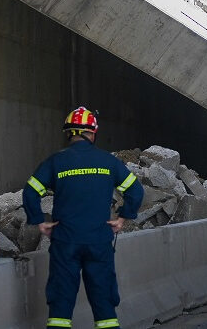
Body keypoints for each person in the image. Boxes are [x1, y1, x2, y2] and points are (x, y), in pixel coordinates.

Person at [23, 107, 143, 329]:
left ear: (69, 133)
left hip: (65, 240)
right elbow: (136, 191)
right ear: (93, 133)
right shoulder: (108, 162)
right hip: (99, 241)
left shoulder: (55, 162)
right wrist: (122, 218)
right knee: (104, 303)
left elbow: (30, 192)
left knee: (60, 303)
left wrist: (39, 221)